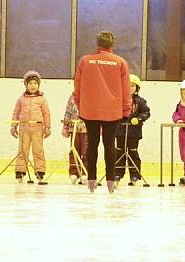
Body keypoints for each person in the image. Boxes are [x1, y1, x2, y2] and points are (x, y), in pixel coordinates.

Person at [73, 31, 132, 193]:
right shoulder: (120, 62)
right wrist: (126, 109)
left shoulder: (85, 61)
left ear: (97, 43)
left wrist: (80, 105)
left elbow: (76, 87)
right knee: (109, 144)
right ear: (112, 44)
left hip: (90, 109)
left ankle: (91, 181)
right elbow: (126, 90)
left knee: (92, 144)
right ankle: (111, 181)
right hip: (112, 110)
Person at [11, 71, 51, 183]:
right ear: (26, 85)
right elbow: (16, 113)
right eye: (30, 83)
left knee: (38, 150)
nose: (33, 85)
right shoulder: (21, 99)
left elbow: (46, 113)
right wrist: (13, 126)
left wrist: (47, 127)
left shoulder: (41, 99)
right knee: (22, 150)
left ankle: (40, 171)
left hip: (37, 128)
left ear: (38, 85)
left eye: (35, 83)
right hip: (24, 128)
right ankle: (20, 171)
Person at [114, 74, 150, 185]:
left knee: (133, 152)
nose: (130, 87)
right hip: (120, 130)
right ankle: (117, 173)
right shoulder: (118, 99)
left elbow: (146, 112)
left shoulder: (140, 101)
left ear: (137, 88)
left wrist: (139, 119)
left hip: (134, 132)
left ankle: (134, 174)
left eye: (132, 85)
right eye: (127, 85)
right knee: (119, 152)